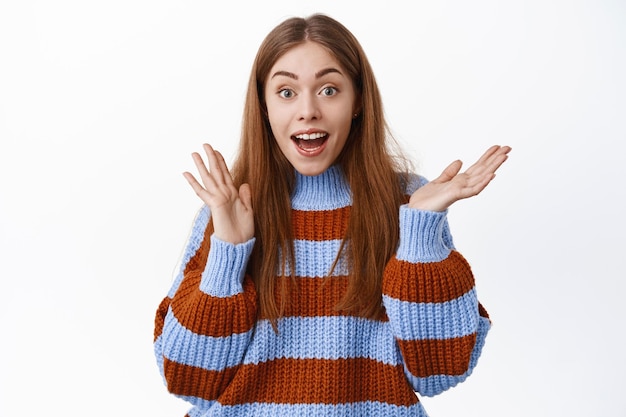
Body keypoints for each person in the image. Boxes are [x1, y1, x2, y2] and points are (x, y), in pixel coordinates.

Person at [153, 13, 511, 417]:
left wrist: (421, 233)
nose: (308, 111)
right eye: (286, 92)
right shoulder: (230, 209)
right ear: (264, 107)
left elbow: (439, 372)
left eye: (328, 89)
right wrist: (228, 254)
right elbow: (188, 381)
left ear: (357, 100)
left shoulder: (408, 204)